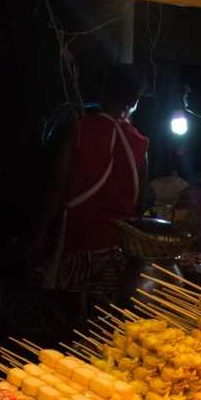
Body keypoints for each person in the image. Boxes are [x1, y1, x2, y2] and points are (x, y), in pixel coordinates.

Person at [29, 63, 150, 300]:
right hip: (116, 260)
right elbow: (139, 206)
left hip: (75, 252)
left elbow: (58, 187)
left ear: (103, 92)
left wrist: (41, 233)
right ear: (135, 101)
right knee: (105, 324)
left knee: (64, 317)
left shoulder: (78, 128)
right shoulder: (141, 145)